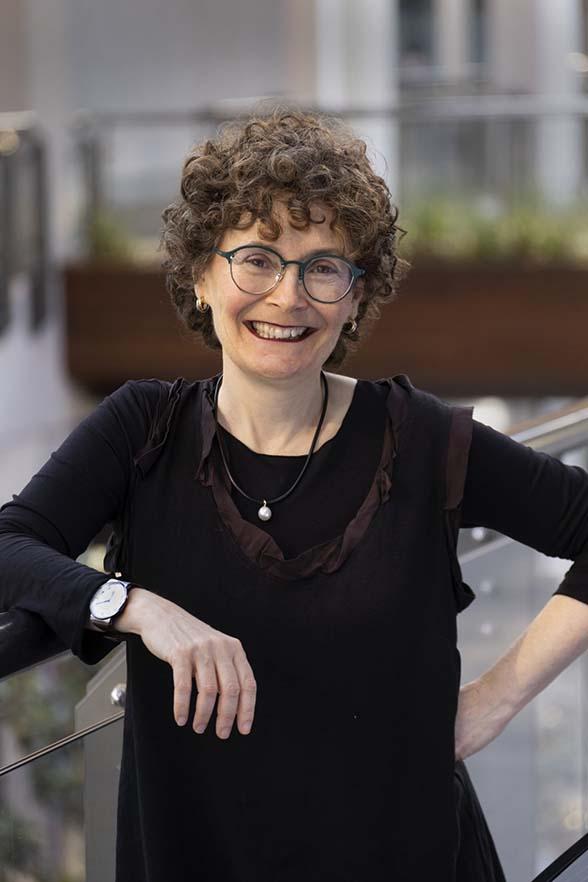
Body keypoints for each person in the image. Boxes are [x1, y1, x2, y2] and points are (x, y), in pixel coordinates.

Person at [1, 104, 588, 882]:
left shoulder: (420, 440)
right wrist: (139, 608)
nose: (288, 297)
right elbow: (12, 545)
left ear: (353, 296)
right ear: (202, 276)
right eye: (258, 258)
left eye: (323, 266)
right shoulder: (142, 427)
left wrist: (496, 698)